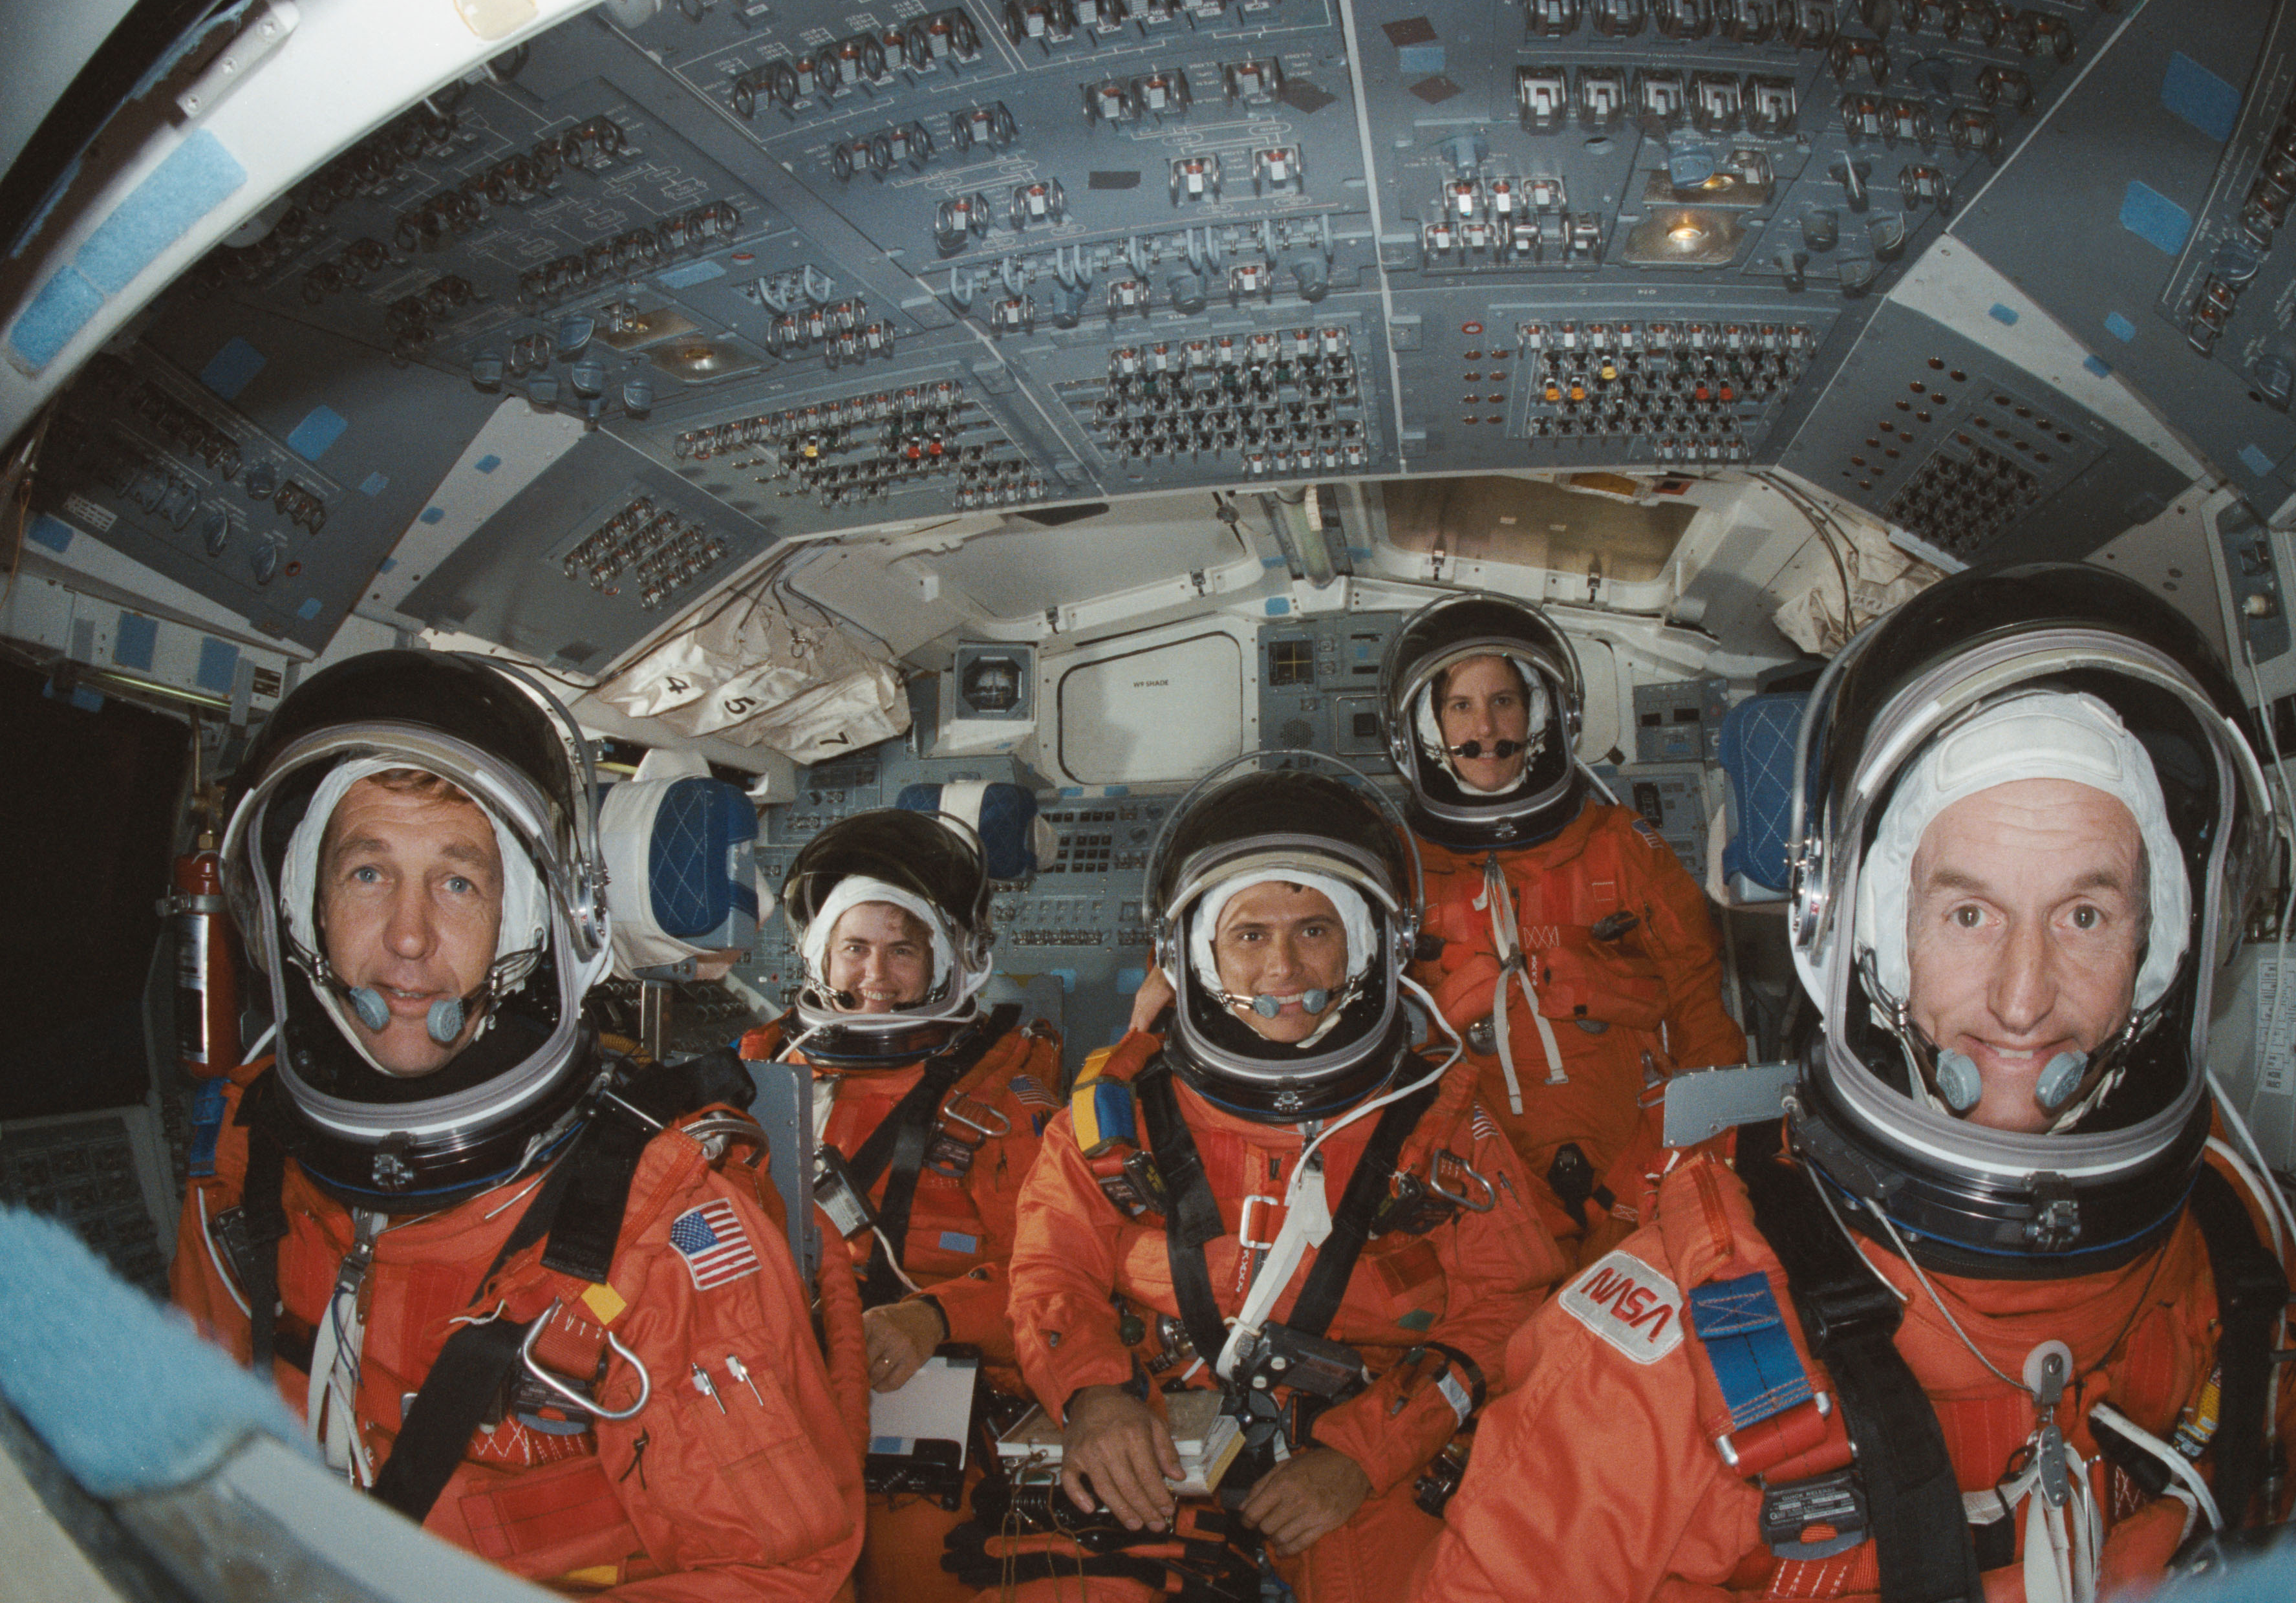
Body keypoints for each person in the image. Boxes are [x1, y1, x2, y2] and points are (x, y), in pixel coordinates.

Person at [1413, 563, 2296, 1603]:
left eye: (2085, 916)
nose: (2023, 1001)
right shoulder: (1652, 1361)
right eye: (1968, 914)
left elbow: (1695, 997)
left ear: (2165, 952)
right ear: (1872, 942)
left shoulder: (2240, 1263)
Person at [171, 649, 863, 1600]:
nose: (408, 937)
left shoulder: (655, 1229)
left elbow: (778, 1576)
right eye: (368, 872)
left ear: (530, 917)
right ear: (299, 908)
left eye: (458, 883)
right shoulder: (244, 1158)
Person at [983, 764, 1565, 1602]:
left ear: (1370, 944)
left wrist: (1362, 1458)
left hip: (1365, 1448)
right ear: (1196, 954)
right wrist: (1094, 1396)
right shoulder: (1119, 1111)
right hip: (1162, 1429)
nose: (1283, 968)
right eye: (1250, 935)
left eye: (1315, 929)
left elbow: (1505, 1309)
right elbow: (1051, 1270)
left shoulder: (1436, 1119)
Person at [736, 806, 1064, 1602]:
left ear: (950, 960)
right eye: (854, 948)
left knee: (917, 1559)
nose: (874, 978)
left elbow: (1058, 1280)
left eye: (902, 951)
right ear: (820, 955)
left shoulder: (1004, 1096)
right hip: (773, 1389)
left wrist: (934, 1317)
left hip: (936, 1397)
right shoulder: (760, 1077)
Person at [1380, 594, 1746, 1254]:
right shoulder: (1397, 868)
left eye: (1504, 701)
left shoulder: (1619, 845)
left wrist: (1695, 1156)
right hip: (1481, 1184)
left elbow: (1700, 1007)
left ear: (1542, 715)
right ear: (1426, 730)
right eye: (1459, 705)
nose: (1485, 727)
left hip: (1637, 1167)